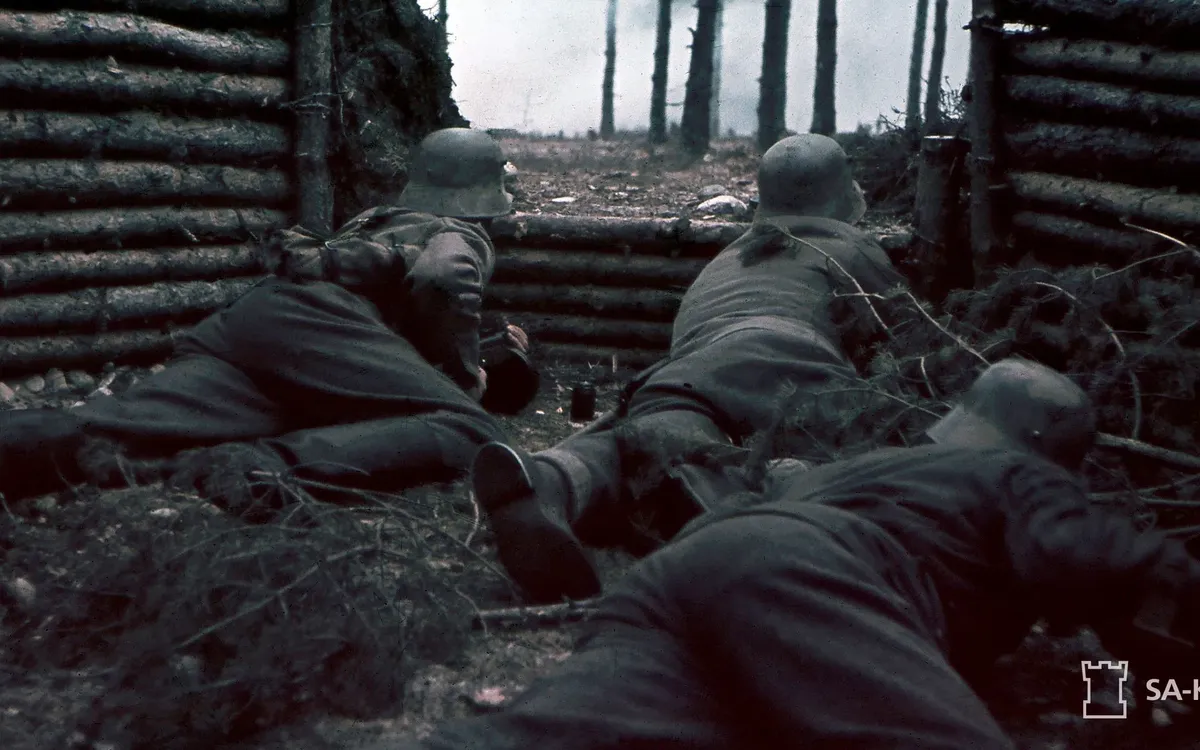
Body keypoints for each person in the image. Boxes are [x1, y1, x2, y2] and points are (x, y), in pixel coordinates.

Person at [373, 358, 1200, 750]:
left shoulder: (868, 469)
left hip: (690, 572)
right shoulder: (1017, 474)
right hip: (806, 575)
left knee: (557, 734)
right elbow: (1100, 558)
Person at [0, 128, 534, 511]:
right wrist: (464, 379)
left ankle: (21, 446)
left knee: (130, 424)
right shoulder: (462, 234)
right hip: (321, 327)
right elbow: (442, 278)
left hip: (256, 323)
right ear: (486, 193)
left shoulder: (377, 220)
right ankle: (264, 469)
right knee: (471, 431)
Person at [471, 133, 907, 602]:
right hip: (793, 365)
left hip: (687, 373)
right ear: (839, 191)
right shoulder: (852, 247)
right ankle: (717, 504)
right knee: (824, 471)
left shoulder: (727, 258)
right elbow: (899, 348)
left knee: (643, 438)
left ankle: (555, 477)